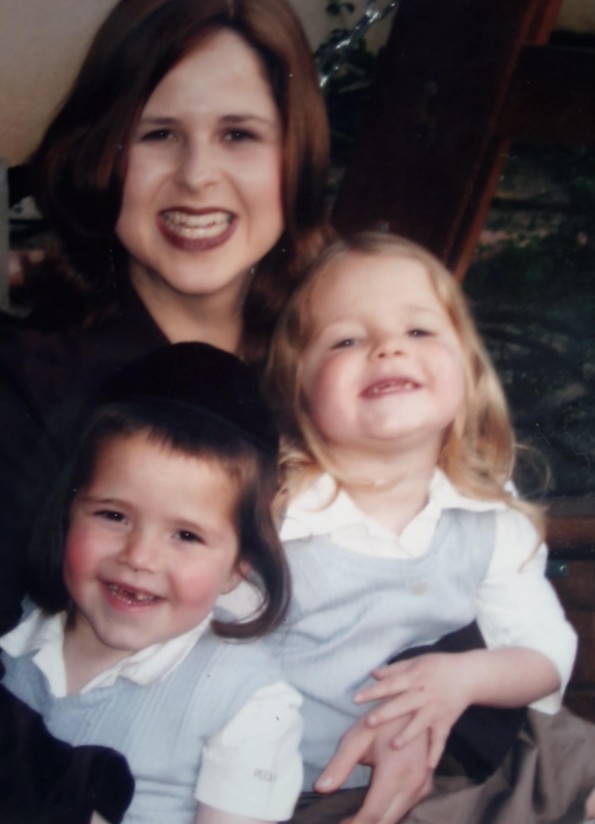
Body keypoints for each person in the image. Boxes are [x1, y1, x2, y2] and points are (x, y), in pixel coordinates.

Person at [0, 0, 331, 634]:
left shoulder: (337, 369)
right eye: (158, 134)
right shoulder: (28, 389)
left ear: (295, 157)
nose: (197, 177)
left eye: (238, 134)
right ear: (102, 156)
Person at [264, 231, 595, 823]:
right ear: (299, 386)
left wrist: (464, 678)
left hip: (459, 753)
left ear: (467, 366)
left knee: (575, 759)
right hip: (315, 787)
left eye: (418, 330)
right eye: (347, 339)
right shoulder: (276, 514)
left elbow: (544, 648)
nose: (388, 348)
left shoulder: (487, 508)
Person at [1, 342, 303, 823]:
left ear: (238, 566)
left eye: (186, 535)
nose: (139, 557)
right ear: (67, 511)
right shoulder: (13, 635)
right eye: (113, 515)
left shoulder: (245, 701)